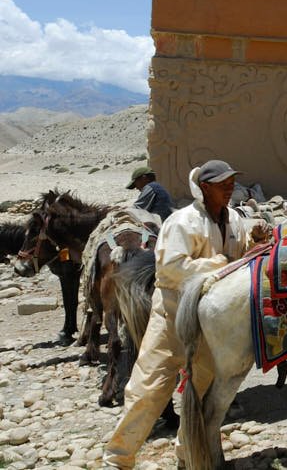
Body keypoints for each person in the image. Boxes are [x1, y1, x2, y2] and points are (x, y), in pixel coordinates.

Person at [103, 159, 268, 468]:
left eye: (232, 181)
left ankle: (187, 456)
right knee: (148, 390)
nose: (230, 187)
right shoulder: (182, 222)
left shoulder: (233, 218)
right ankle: (118, 458)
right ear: (204, 187)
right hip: (171, 317)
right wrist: (222, 263)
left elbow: (243, 250)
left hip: (208, 325)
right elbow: (172, 268)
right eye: (223, 184)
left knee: (201, 394)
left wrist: (256, 239)